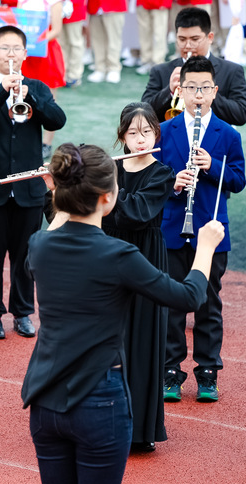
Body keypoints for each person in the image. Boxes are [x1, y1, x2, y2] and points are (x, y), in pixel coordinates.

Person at [22, 142, 224, 484]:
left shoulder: (39, 245)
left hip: (45, 400)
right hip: (98, 402)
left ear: (61, 192)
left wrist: (57, 190)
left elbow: (61, 224)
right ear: (107, 198)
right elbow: (188, 296)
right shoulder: (118, 255)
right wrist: (206, 248)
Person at [0, 25, 66, 341]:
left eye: (16, 48)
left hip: (28, 190)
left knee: (26, 257)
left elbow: (56, 120)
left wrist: (27, 94)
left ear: (25, 53)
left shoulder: (37, 87)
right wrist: (1, 92)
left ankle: (22, 313)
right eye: (4, 48)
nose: (10, 54)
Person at [155, 56, 246, 403]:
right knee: (172, 305)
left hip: (211, 229)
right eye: (191, 87)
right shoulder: (165, 131)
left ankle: (208, 372)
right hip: (174, 229)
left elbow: (237, 181)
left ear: (215, 91)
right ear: (179, 89)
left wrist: (213, 165)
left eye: (204, 88)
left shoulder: (228, 134)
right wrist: (174, 183)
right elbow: (153, 178)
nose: (197, 94)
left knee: (209, 304)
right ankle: (170, 371)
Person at [101, 102, 174, 452]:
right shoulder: (110, 170)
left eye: (147, 131)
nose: (140, 138)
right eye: (133, 132)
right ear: (122, 136)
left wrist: (105, 190)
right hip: (110, 256)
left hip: (146, 258)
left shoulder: (162, 173)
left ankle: (140, 429)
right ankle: (104, 423)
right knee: (108, 338)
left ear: (156, 134)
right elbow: (96, 212)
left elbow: (136, 213)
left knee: (142, 339)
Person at [141, 7, 246, 126]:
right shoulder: (160, 71)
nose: (187, 45)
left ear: (210, 38)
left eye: (195, 39)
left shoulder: (232, 70)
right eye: (182, 39)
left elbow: (241, 115)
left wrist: (207, 91)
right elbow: (144, 114)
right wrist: (169, 90)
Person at [18, 0, 66, 158]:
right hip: (27, 54)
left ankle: (47, 143)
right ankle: (25, 138)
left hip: (46, 53)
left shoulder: (54, 2)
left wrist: (36, 41)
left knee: (49, 99)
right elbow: (18, 23)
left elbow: (57, 30)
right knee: (22, 95)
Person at [85, 0, 126, 83]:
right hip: (94, 6)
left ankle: (113, 68)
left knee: (113, 40)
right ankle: (100, 68)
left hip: (113, 6)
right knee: (97, 40)